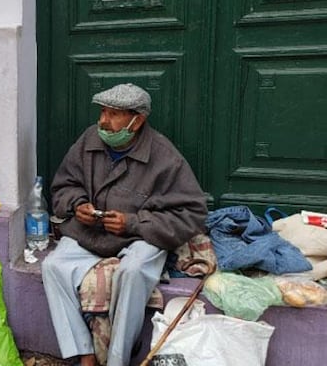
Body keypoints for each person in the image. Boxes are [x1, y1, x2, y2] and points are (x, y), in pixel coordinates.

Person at [41, 83, 207, 366]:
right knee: (52, 266)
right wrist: (77, 204)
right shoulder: (89, 140)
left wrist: (132, 223)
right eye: (103, 112)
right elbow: (64, 185)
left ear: (137, 120)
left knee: (132, 273)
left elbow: (191, 213)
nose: (103, 121)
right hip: (91, 232)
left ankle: (117, 360)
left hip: (140, 237)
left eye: (113, 114)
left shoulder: (164, 156)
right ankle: (86, 354)